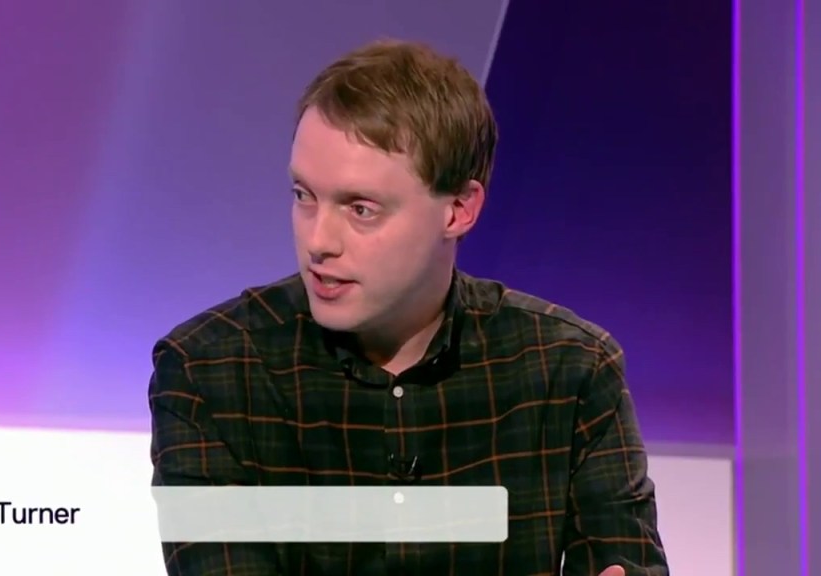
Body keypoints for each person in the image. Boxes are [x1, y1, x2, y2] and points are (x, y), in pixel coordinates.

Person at [148, 39, 668, 575]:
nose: (318, 240)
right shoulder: (207, 371)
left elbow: (624, 560)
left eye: (361, 208)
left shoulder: (570, 370)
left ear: (459, 210)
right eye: (304, 196)